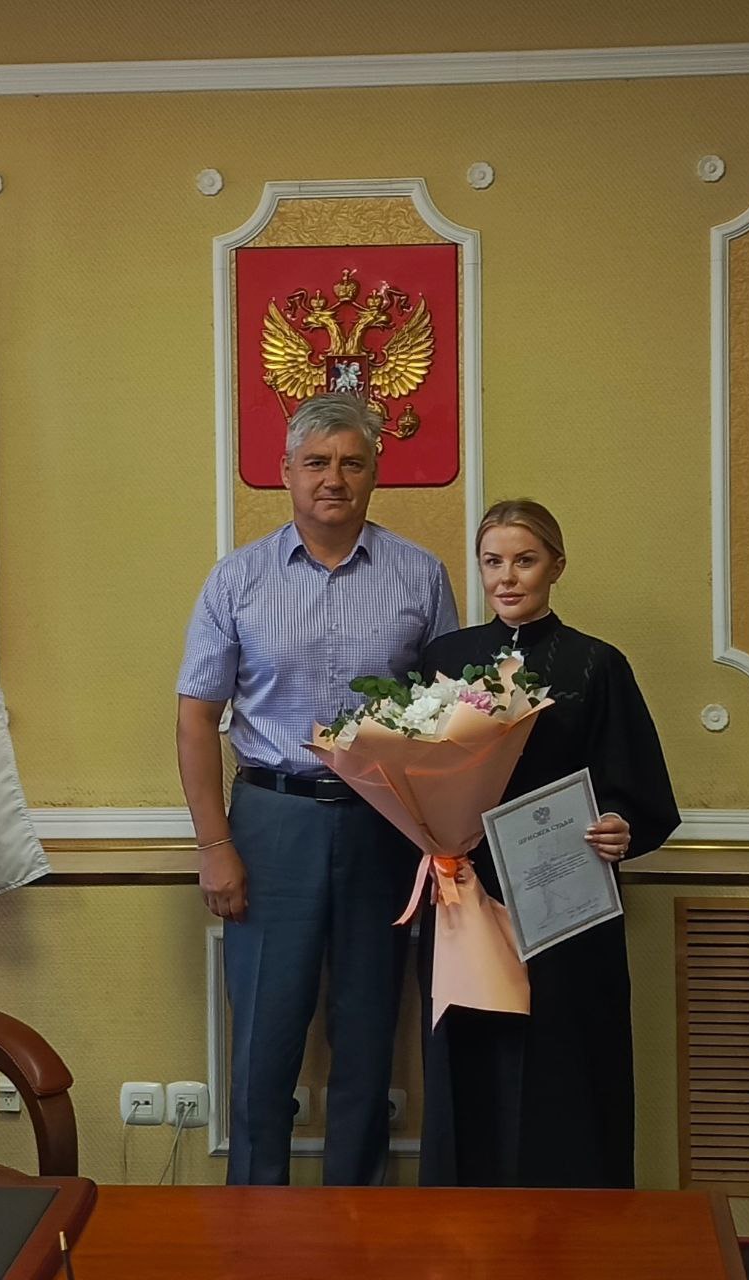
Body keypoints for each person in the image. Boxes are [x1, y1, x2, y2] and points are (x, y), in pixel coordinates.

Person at [176, 392, 459, 1186]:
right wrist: (214, 846)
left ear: (375, 473)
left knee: (368, 1036)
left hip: (382, 828)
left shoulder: (420, 575)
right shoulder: (238, 579)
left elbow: (451, 717)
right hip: (271, 825)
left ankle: (354, 1217)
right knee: (265, 1040)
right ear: (286, 473)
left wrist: (443, 837)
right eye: (316, 463)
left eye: (351, 463)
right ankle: (255, 1217)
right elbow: (196, 719)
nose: (333, 478)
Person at [418, 498, 679, 1189]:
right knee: (471, 1045)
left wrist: (621, 824)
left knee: (564, 1054)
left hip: (566, 898)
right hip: (466, 892)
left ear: (556, 567)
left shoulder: (597, 664)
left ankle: (575, 1217)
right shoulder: (445, 659)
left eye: (525, 561)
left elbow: (634, 787)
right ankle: (465, 1220)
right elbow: (412, 772)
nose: (507, 578)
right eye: (493, 562)